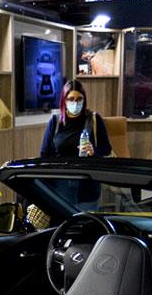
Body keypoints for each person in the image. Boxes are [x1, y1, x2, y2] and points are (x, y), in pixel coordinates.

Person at [40, 80, 111, 210]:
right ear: (64, 100)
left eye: (79, 99)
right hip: (60, 187)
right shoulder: (55, 122)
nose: (75, 103)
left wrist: (93, 151)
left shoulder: (94, 119)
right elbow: (44, 155)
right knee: (61, 227)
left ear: (84, 100)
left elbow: (106, 149)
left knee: (86, 226)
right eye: (71, 99)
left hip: (87, 188)